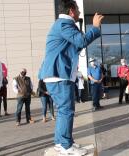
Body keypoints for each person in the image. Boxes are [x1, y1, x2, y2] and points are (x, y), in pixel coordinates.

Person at [38, 0, 103, 155]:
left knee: (63, 111)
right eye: (78, 10)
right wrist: (94, 27)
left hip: (57, 75)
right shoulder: (63, 24)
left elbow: (78, 44)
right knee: (66, 110)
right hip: (58, 75)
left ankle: (62, 143)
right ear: (72, 10)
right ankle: (66, 146)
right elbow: (81, 40)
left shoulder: (62, 25)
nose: (80, 13)